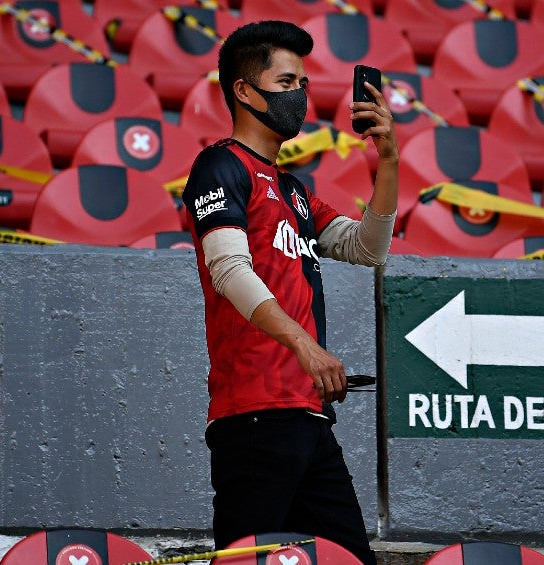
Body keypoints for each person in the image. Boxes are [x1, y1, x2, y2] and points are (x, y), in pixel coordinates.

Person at [181, 19, 397, 565]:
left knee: (350, 561)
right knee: (241, 561)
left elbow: (368, 248)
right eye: (286, 83)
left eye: (303, 83)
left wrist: (388, 159)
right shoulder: (219, 165)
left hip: (308, 418)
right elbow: (229, 272)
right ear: (244, 91)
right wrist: (306, 345)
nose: (299, 95)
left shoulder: (296, 191)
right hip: (252, 418)